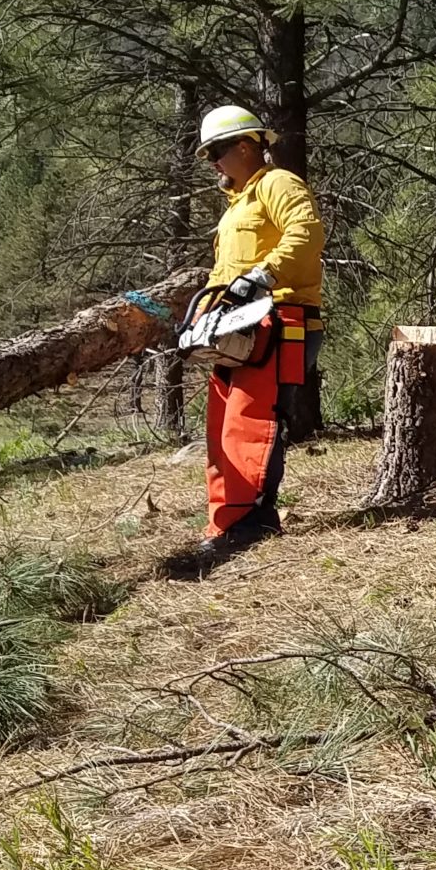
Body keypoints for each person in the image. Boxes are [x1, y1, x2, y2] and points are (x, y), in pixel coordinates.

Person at [191, 104, 324, 562]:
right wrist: (202, 315)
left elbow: (306, 234)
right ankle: (229, 519)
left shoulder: (278, 184)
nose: (213, 162)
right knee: (224, 427)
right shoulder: (237, 207)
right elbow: (224, 271)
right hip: (238, 326)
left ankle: (250, 520)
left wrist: (264, 274)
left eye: (217, 152)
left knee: (253, 422)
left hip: (279, 320)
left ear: (246, 146)